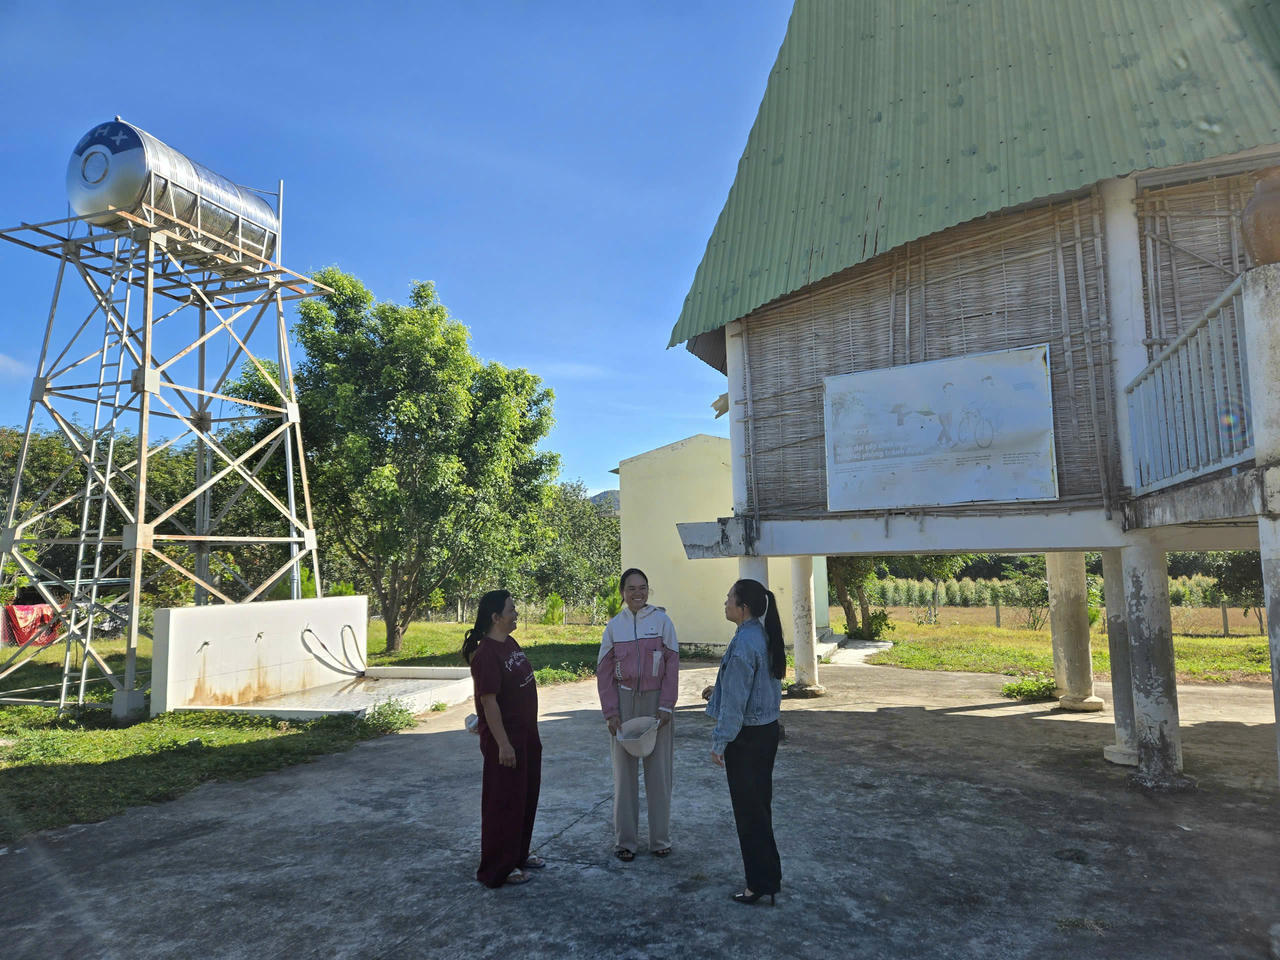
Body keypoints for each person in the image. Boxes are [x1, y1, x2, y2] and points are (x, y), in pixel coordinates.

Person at [706, 577, 785, 905]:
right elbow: (751, 692)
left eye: (729, 599)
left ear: (744, 607)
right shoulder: (762, 636)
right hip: (765, 733)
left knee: (749, 814)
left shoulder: (743, 644)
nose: (725, 603)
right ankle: (769, 877)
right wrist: (717, 693)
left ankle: (758, 883)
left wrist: (719, 741)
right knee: (759, 809)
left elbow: (737, 706)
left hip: (746, 740)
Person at [462, 590, 545, 888]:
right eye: (511, 609)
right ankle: (498, 866)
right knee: (503, 803)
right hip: (505, 741)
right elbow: (488, 702)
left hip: (526, 736)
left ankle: (518, 854)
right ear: (496, 617)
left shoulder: (508, 642)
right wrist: (503, 744)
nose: (516, 613)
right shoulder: (486, 654)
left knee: (524, 797)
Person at [597, 568, 679, 861]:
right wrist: (610, 712)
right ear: (622, 592)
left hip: (657, 704)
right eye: (631, 589)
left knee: (658, 774)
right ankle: (626, 842)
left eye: (642, 588)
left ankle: (660, 840)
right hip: (624, 702)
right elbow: (604, 673)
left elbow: (672, 666)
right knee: (624, 776)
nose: (637, 594)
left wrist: (667, 704)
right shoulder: (613, 628)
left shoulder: (662, 621)